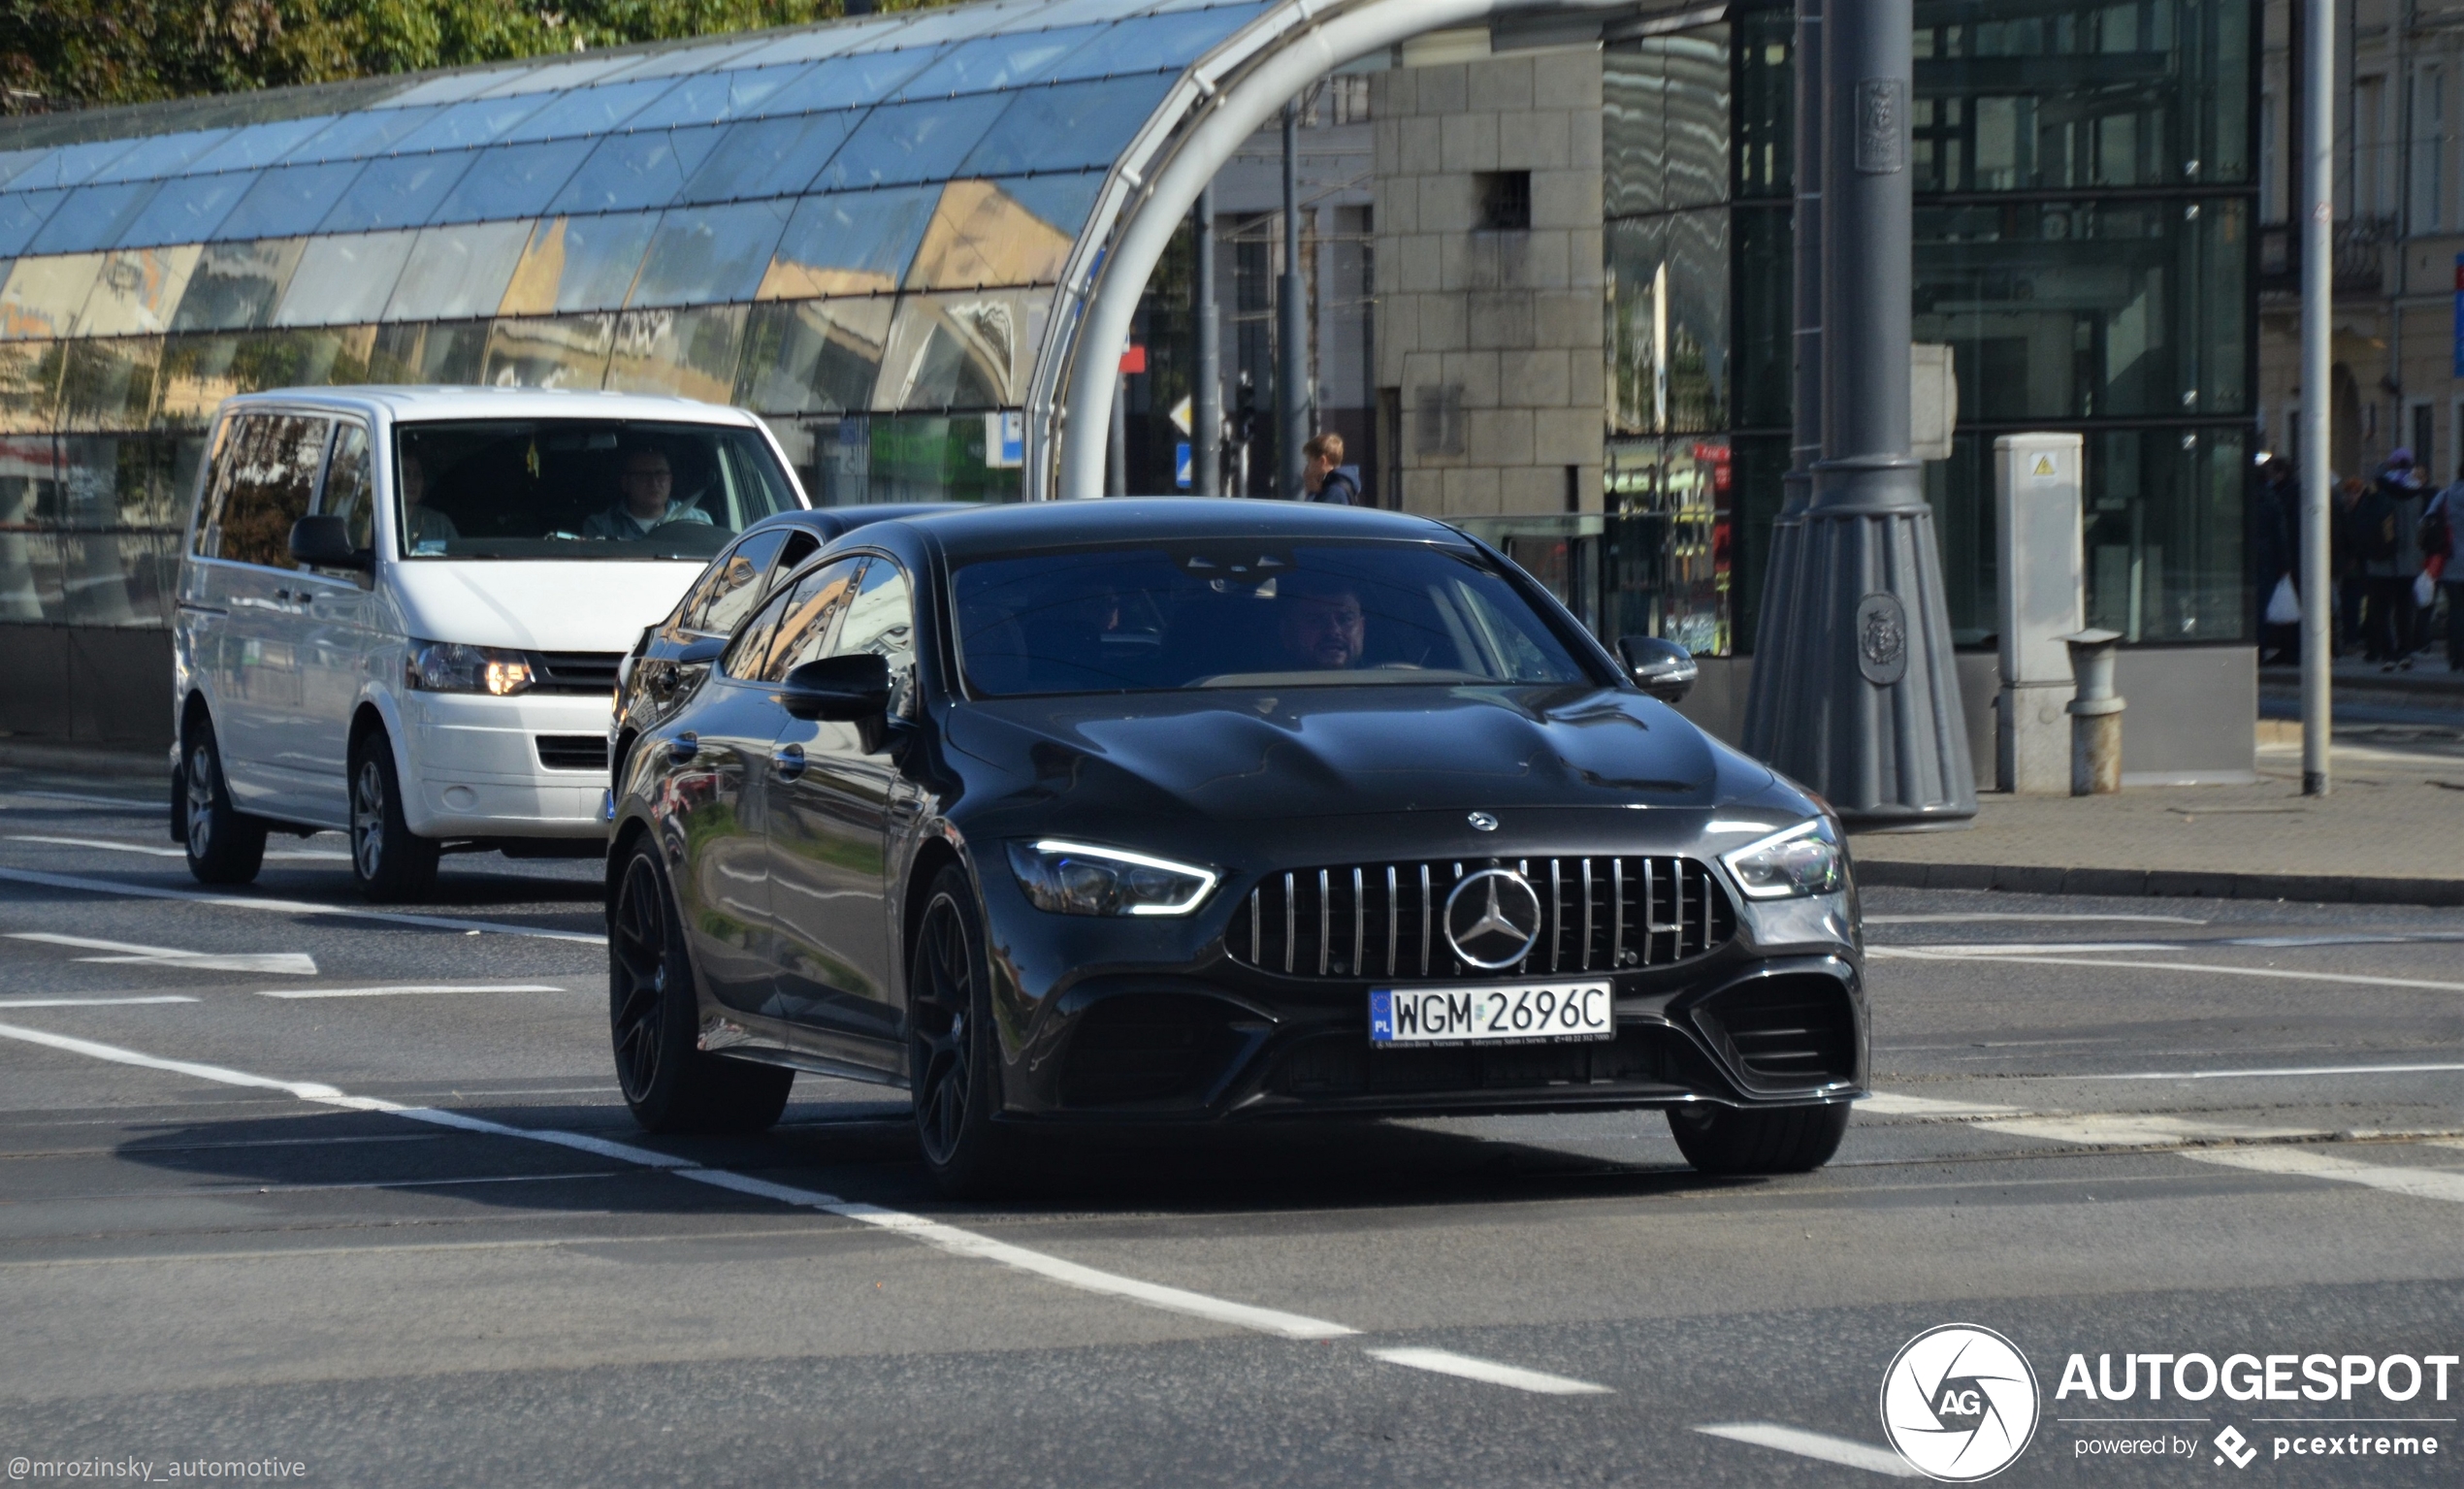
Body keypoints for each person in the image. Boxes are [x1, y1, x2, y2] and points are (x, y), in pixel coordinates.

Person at [582, 445, 711, 540]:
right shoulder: (601, 527)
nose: (653, 483)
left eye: (660, 474)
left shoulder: (697, 521)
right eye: (643, 475)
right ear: (625, 483)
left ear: (670, 480)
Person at [1278, 574, 1365, 669]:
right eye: (1316, 621)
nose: (1333, 630)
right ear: (1288, 633)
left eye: (1345, 619)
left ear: (1361, 629)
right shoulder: (1263, 681)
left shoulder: (1381, 677)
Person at [2430, 463, 2464, 671]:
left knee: (2455, 611)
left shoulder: (2444, 495)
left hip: (2449, 563)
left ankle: (2455, 657)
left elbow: (2426, 522)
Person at [398, 452, 459, 551]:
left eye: (417, 475)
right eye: (405, 474)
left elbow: (458, 558)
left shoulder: (440, 525)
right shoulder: (378, 522)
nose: (412, 481)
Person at [1301, 433, 1359, 505]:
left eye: (1309, 461)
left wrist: (1312, 492)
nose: (1307, 467)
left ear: (1322, 461)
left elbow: (1311, 515)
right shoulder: (1337, 484)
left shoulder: (1334, 491)